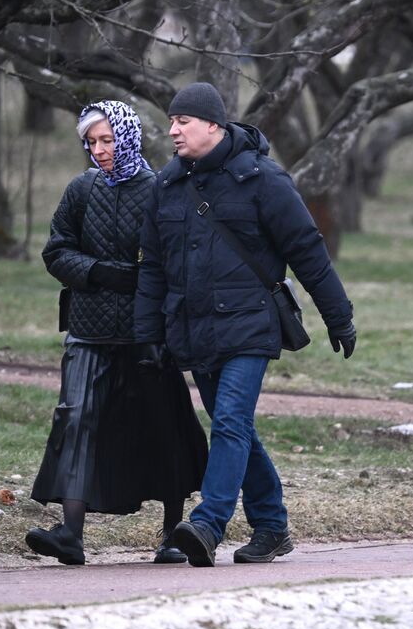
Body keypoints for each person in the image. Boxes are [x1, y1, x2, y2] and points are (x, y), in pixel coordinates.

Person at [136, 82, 357, 567]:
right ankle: (272, 526)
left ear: (213, 125)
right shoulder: (167, 185)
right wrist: (147, 333)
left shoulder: (263, 179)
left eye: (183, 121)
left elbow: (307, 250)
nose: (173, 130)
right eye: (171, 121)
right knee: (233, 425)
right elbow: (153, 265)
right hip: (193, 328)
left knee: (231, 421)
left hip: (250, 326)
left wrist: (338, 316)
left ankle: (207, 524)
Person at [28, 101, 208, 566]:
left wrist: (163, 321)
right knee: (76, 420)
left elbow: (178, 262)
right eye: (91, 142)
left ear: (127, 137)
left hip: (146, 334)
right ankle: (70, 535)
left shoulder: (161, 190)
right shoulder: (80, 189)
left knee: (163, 427)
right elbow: (56, 251)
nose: (99, 150)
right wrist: (99, 272)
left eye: (107, 140)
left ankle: (172, 535)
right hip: (87, 331)